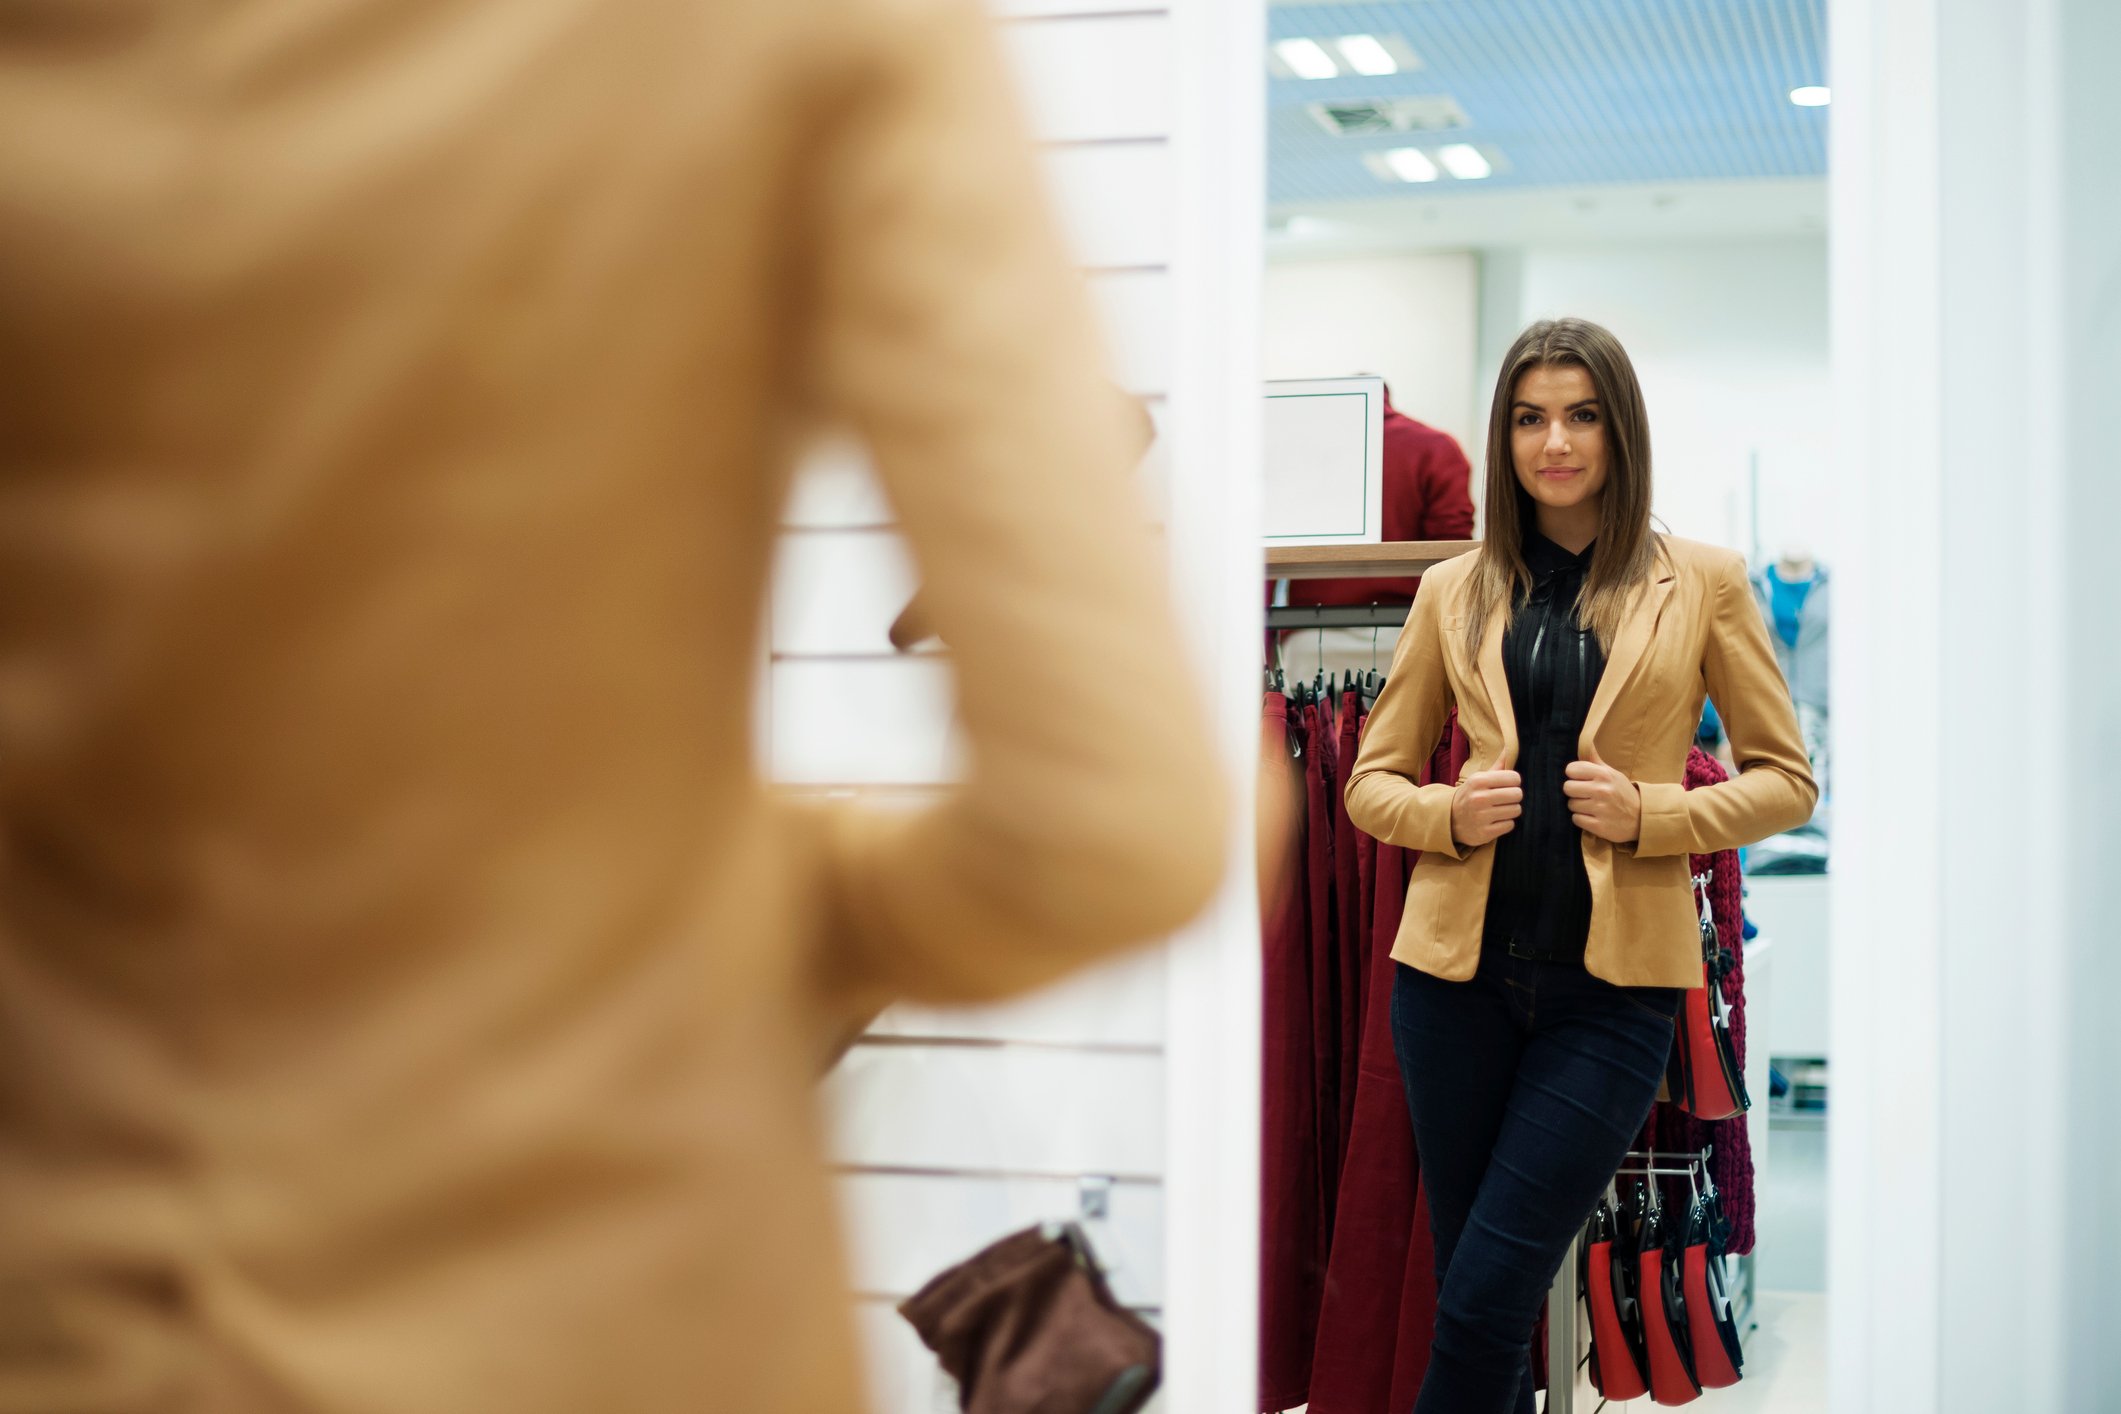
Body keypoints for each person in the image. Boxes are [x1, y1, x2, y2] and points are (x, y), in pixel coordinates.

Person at [0, 2, 1226, 1411]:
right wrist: (659, 897)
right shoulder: (791, 40)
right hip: (617, 1305)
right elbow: (1118, 826)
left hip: (91, 1309)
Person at [1345, 318, 1815, 1414]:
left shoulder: (1703, 580)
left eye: (1581, 414)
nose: (1555, 440)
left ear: (1618, 429)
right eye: (1529, 417)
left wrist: (1654, 811)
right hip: (1452, 985)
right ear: (1505, 437)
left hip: (1612, 996)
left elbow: (1787, 778)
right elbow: (1372, 780)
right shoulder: (1452, 588)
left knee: (1483, 1300)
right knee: (1481, 1295)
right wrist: (1448, 812)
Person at [1270, 384, 1476, 681]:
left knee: (1309, 725)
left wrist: (1263, 644)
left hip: (1311, 635)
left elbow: (1268, 540)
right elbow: (1454, 548)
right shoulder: (1437, 447)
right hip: (1407, 632)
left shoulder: (1303, 453)